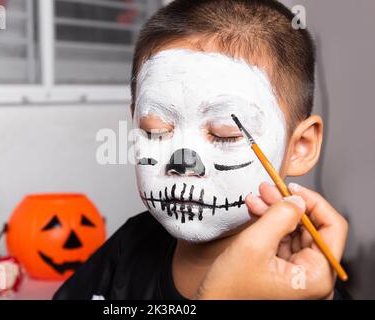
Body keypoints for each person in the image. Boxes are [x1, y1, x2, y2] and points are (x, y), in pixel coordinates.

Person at [54, 0, 349, 300]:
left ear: (300, 147)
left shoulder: (306, 290)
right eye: (154, 130)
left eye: (225, 134)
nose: (182, 162)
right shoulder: (131, 244)